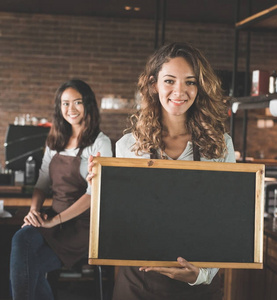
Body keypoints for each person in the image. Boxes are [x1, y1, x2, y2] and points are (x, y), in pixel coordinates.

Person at [88, 42, 235, 299]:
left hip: (198, 285)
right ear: (154, 85)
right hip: (139, 283)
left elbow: (226, 220)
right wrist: (99, 187)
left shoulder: (221, 145)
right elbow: (120, 216)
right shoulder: (129, 146)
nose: (179, 91)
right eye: (169, 81)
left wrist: (201, 274)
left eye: (190, 82)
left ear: (200, 88)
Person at [10, 79, 113, 300]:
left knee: (29, 266)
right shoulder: (55, 139)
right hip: (54, 217)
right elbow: (43, 181)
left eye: (77, 102)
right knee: (21, 239)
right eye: (65, 103)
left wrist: (53, 221)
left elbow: (93, 195)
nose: (71, 109)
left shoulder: (100, 143)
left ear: (88, 105)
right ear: (59, 107)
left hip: (84, 225)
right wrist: (34, 212)